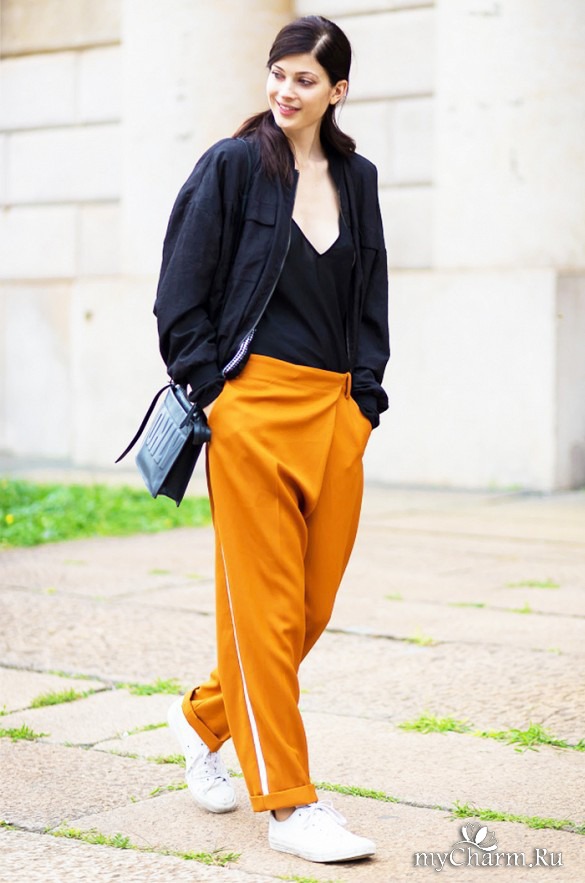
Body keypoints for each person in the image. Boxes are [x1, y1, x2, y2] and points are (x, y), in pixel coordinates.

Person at [154, 14, 389, 864]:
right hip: (251, 410)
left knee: (306, 611)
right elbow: (178, 292)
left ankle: (203, 717)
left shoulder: (357, 178)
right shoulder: (231, 166)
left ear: (337, 91)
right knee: (263, 615)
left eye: (304, 79)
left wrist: (365, 402)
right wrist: (216, 396)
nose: (285, 91)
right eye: (278, 73)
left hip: (334, 414)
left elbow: (370, 294)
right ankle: (290, 806)